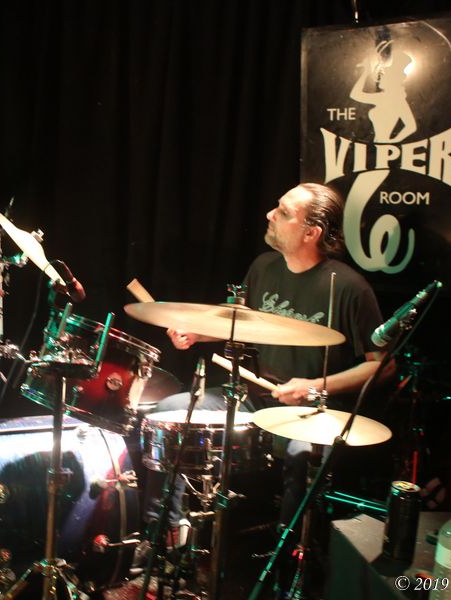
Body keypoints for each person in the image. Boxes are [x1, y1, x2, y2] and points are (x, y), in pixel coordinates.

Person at [144, 182, 388, 591]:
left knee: (300, 456)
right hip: (254, 397)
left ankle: (283, 572)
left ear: (311, 232)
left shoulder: (348, 288)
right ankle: (166, 543)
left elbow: (382, 366)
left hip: (312, 410)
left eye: (284, 212)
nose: (270, 215)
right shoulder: (264, 267)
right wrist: (198, 332)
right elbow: (242, 322)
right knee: (168, 415)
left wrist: (314, 387)